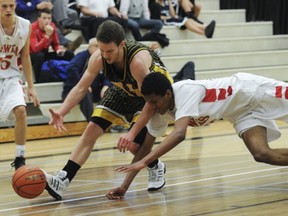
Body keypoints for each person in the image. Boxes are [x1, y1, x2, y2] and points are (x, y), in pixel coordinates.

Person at [43, 20, 173, 200]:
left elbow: (150, 101)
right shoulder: (99, 57)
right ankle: (63, 179)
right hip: (123, 89)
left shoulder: (137, 61)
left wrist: (131, 133)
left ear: (122, 44)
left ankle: (155, 166)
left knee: (135, 144)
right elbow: (81, 87)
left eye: (110, 51)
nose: (105, 55)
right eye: (102, 50)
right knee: (92, 128)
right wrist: (62, 111)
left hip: (152, 97)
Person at [115, 72, 288, 186]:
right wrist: (124, 187)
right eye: (148, 102)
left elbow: (179, 134)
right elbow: (145, 148)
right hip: (240, 113)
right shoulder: (159, 113)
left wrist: (145, 162)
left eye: (154, 102)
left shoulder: (185, 91)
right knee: (261, 153)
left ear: (168, 94)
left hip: (251, 90)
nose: (151, 107)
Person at [0, 0, 40, 170]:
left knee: (21, 110)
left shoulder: (25, 25)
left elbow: (25, 56)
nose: (8, 10)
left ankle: (20, 158)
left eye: (11, 5)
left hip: (12, 76)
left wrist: (31, 87)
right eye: (3, 6)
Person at [62, 38, 112, 122]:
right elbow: (71, 69)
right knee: (84, 92)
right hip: (73, 91)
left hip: (94, 90)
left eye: (100, 47)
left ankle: (115, 122)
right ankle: (93, 122)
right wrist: (82, 84)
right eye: (96, 46)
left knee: (112, 91)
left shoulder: (103, 59)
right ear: (89, 47)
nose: (98, 49)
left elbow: (109, 74)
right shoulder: (81, 57)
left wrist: (106, 85)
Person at [30, 8, 75, 83]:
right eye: (44, 18)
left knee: (69, 54)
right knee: (39, 56)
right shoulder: (32, 28)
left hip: (44, 53)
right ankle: (39, 81)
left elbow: (56, 44)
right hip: (31, 56)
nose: (47, 21)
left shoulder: (52, 26)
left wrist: (59, 50)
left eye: (49, 18)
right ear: (39, 19)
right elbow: (35, 49)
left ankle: (72, 76)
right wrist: (47, 36)